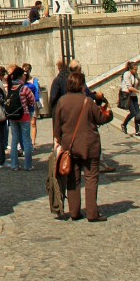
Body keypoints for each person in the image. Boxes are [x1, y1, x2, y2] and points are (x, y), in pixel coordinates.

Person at [53, 70, 112, 222]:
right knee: (91, 178)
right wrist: (108, 112)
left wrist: (58, 140)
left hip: (70, 146)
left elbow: (57, 125)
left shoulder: (62, 101)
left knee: (73, 178)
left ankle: (74, 212)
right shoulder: (87, 101)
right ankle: (92, 213)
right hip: (89, 145)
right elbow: (100, 118)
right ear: (82, 85)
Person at [7, 66, 35, 171]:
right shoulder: (24, 88)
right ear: (20, 76)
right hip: (24, 115)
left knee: (14, 140)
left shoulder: (10, 87)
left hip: (13, 116)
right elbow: (32, 100)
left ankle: (14, 164)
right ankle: (27, 165)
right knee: (26, 140)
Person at [120, 62, 140, 136]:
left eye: (137, 69)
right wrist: (139, 91)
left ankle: (137, 130)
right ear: (131, 69)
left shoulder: (135, 75)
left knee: (138, 113)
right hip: (127, 96)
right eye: (135, 69)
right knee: (133, 113)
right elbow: (129, 87)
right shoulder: (126, 74)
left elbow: (138, 83)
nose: (136, 71)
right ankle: (124, 124)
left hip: (134, 95)